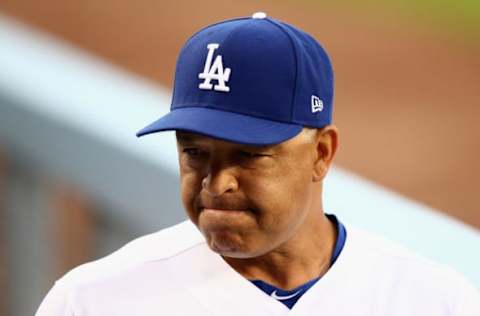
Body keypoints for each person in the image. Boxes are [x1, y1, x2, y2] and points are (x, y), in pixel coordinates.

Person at [36, 12, 479, 315]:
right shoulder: (94, 301)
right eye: (194, 152)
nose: (216, 182)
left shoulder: (432, 300)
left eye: (248, 155)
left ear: (321, 154)